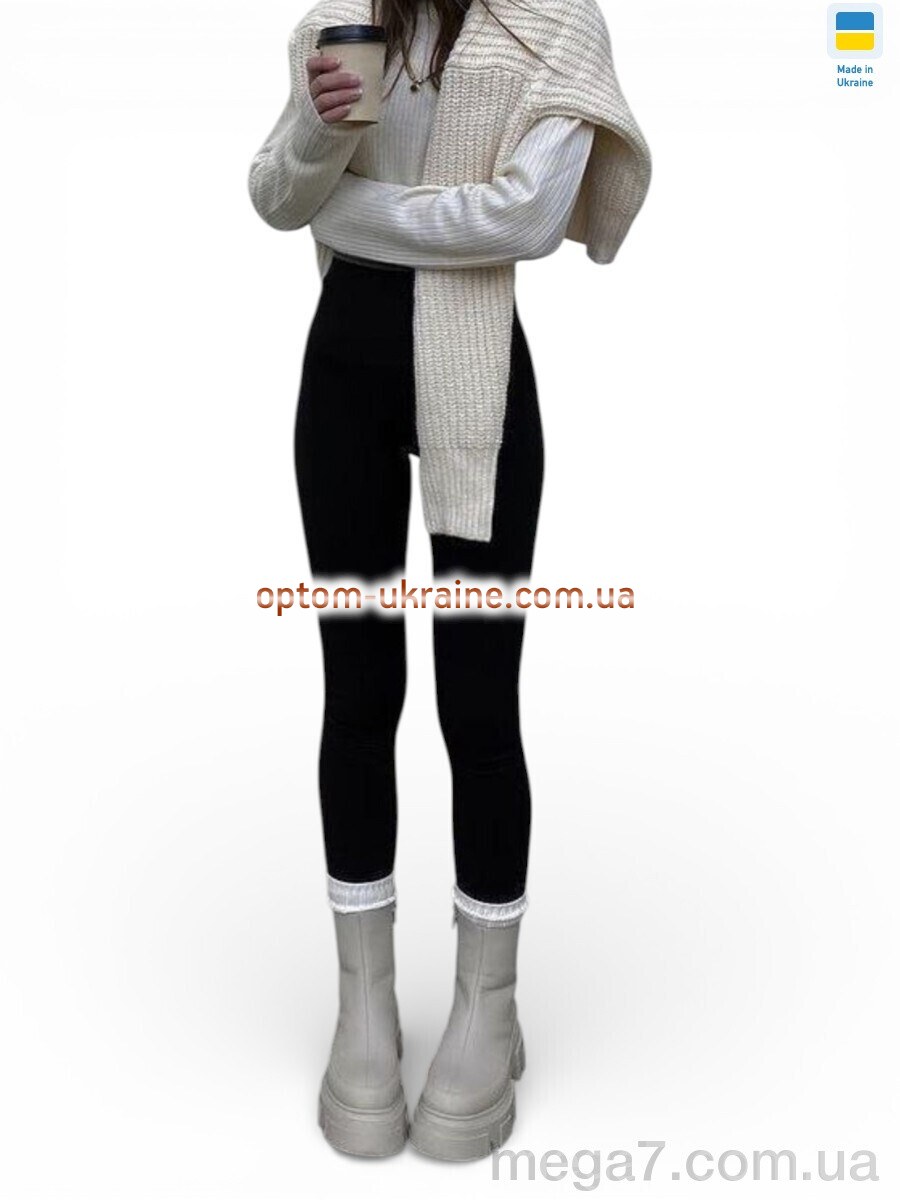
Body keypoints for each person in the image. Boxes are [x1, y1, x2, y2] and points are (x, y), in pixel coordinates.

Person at [247, 0, 650, 1160]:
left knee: (478, 704)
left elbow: (527, 218)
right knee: (358, 692)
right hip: (344, 386)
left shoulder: (555, 29)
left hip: (480, 385)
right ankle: (364, 1008)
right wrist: (317, 135)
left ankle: (488, 1006)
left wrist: (354, 209)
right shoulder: (338, 23)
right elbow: (274, 198)